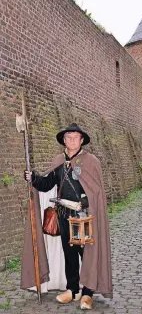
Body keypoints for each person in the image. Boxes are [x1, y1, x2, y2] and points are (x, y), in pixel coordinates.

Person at [22, 123, 112, 310]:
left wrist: (86, 204)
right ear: (64, 140)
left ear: (81, 140)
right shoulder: (59, 162)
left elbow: (96, 191)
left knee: (87, 255)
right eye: (68, 137)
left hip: (85, 216)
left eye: (75, 137)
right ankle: (72, 290)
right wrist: (34, 178)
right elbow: (47, 184)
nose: (71, 140)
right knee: (69, 254)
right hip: (64, 216)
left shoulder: (91, 161)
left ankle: (87, 293)